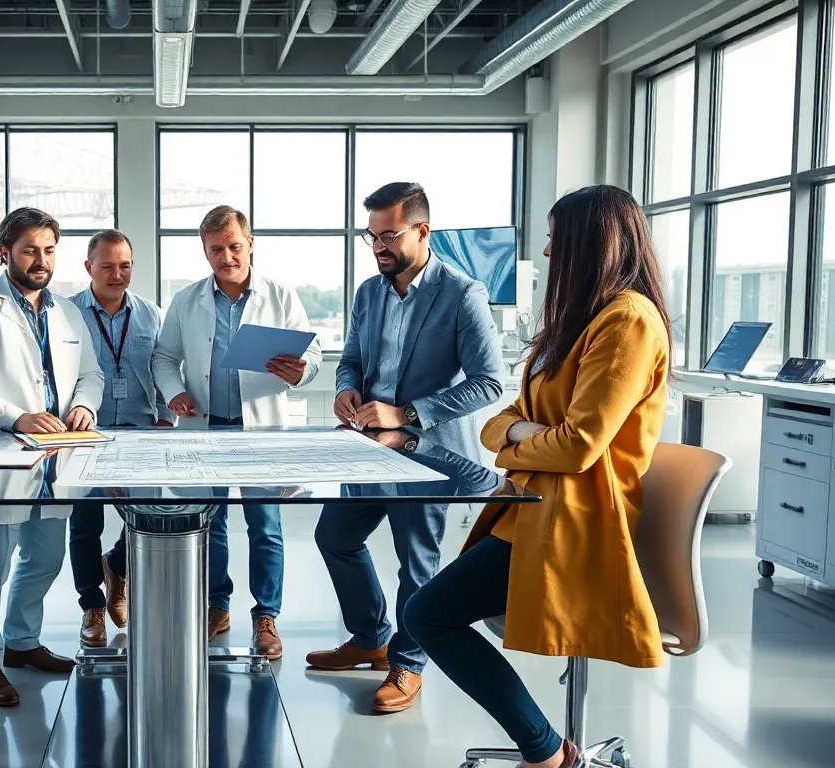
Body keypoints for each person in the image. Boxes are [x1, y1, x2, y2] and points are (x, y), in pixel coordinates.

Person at [402, 185, 673, 768]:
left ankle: (546, 753)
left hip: (574, 517)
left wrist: (520, 436)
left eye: (555, 238)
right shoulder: (581, 320)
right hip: (532, 505)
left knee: (426, 614)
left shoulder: (628, 322)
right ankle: (548, 749)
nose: (547, 252)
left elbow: (577, 447)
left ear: (593, 244)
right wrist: (523, 433)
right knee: (429, 612)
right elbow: (498, 421)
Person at [306, 182, 503, 714]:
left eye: (389, 235)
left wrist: (408, 414)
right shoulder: (369, 293)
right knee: (334, 537)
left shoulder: (462, 294)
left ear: (422, 230)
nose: (378, 247)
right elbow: (352, 359)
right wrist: (346, 389)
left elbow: (489, 382)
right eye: (371, 236)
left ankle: (409, 662)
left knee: (417, 563)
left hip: (428, 454)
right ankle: (371, 637)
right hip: (368, 448)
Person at [0, 206, 105, 708]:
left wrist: (84, 405)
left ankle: (21, 641)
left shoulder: (68, 312)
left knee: (46, 557)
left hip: (57, 456)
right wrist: (17, 417)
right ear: (5, 253)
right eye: (30, 250)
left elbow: (91, 374)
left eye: (49, 250)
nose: (41, 260)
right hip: (0, 455)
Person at [150, 204, 322, 660]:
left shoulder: (280, 295)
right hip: (204, 428)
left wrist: (301, 371)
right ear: (204, 251)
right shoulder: (187, 300)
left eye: (234, 246)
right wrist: (174, 393)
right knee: (210, 524)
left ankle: (266, 616)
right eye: (215, 249)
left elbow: (312, 355)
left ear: (250, 244)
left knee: (265, 526)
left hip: (259, 430)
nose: (226, 257)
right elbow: (164, 358)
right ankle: (217, 606)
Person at [67, 229, 174, 646]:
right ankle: (92, 607)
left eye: (125, 266)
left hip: (141, 433)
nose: (117, 274)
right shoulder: (67, 313)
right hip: (85, 433)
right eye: (107, 266)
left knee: (147, 517)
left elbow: (164, 367)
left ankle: (117, 566)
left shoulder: (150, 315)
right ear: (89, 267)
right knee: (84, 524)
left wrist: (166, 418)